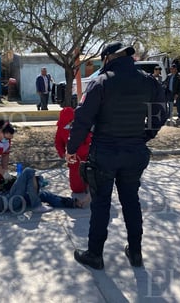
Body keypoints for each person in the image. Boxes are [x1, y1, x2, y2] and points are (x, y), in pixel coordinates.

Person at [66, 41, 167, 269]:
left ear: (109, 58)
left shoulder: (101, 82)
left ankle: (95, 255)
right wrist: (144, 136)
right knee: (131, 201)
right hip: (134, 152)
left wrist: (71, 149)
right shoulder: (149, 81)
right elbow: (160, 114)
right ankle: (136, 253)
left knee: (101, 204)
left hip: (105, 153)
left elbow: (82, 119)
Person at [55, 107, 92, 207]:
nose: (71, 122)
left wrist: (79, 152)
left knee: (91, 181)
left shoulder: (80, 126)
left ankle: (91, 183)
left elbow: (89, 143)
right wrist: (63, 154)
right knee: (76, 189)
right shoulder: (61, 128)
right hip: (73, 160)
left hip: (85, 157)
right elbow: (58, 143)